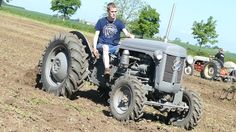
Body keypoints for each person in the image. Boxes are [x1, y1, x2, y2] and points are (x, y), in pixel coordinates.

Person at [93, 2, 134, 75]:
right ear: (108, 11)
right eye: (112, 11)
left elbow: (126, 33)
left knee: (125, 50)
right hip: (102, 45)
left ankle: (123, 71)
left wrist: (130, 35)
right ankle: (107, 69)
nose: (114, 13)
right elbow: (96, 35)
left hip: (114, 46)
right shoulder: (101, 21)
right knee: (105, 47)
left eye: (115, 11)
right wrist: (94, 48)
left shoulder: (119, 23)